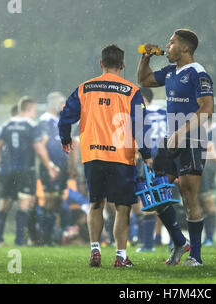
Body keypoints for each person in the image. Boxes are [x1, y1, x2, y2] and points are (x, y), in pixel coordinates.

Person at [58, 44, 152, 268]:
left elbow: (64, 117)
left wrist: (65, 139)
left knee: (96, 203)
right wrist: (146, 153)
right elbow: (140, 125)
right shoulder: (131, 91)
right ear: (123, 65)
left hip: (93, 155)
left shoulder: (85, 88)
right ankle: (120, 256)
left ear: (101, 64)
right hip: (121, 156)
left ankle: (95, 250)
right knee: (122, 207)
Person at [137, 29, 214, 266]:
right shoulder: (171, 71)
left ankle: (196, 257)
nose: (167, 47)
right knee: (156, 193)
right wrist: (146, 57)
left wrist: (182, 132)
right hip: (171, 140)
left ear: (185, 48)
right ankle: (180, 241)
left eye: (171, 44)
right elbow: (144, 80)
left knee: (189, 196)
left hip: (192, 140)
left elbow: (207, 109)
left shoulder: (198, 74)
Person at [0, 96, 59, 247]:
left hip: (6, 171)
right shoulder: (31, 126)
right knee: (24, 203)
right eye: (34, 110)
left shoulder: (6, 125)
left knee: (4, 203)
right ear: (28, 109)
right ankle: (19, 240)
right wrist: (49, 166)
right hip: (25, 171)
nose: (35, 114)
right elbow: (40, 150)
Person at [132, 87, 167, 253]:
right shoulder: (165, 112)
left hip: (148, 158)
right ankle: (170, 241)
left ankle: (147, 244)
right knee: (164, 199)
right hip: (165, 156)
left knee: (148, 200)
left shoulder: (140, 113)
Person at [37, 92, 69, 245]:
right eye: (62, 103)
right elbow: (41, 144)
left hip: (61, 165)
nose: (64, 106)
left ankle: (50, 236)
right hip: (51, 166)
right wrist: (49, 165)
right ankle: (44, 237)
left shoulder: (58, 120)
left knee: (57, 199)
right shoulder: (45, 120)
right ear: (54, 104)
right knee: (49, 200)